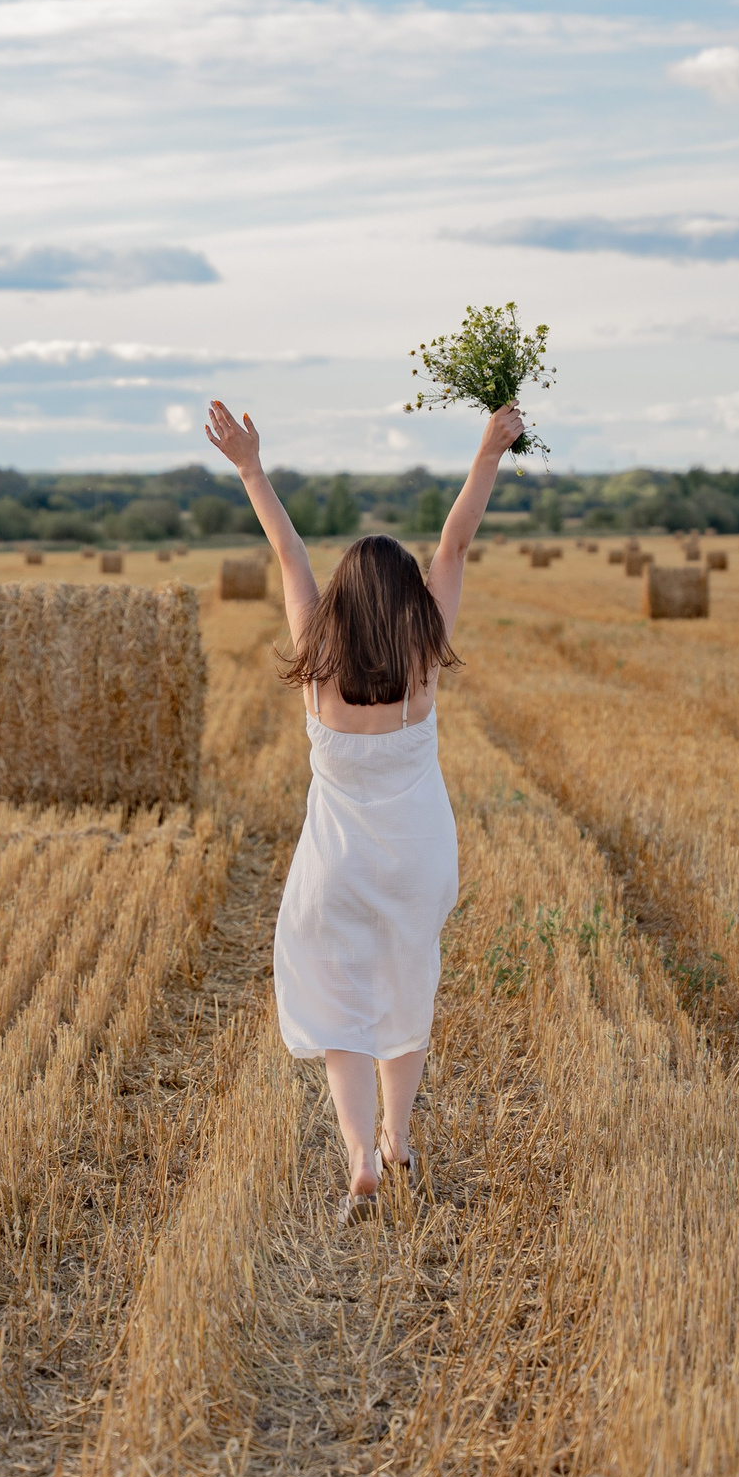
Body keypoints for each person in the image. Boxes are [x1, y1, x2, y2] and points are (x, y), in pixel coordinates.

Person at [204, 395, 526, 1219]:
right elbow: (456, 542)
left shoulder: (316, 659)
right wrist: (489, 450)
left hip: (336, 866)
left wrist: (249, 465)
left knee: (340, 1001)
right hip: (417, 856)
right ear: (409, 604)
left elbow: (285, 550)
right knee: (404, 988)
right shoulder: (422, 659)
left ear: (343, 601)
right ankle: (400, 1140)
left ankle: (357, 1154)